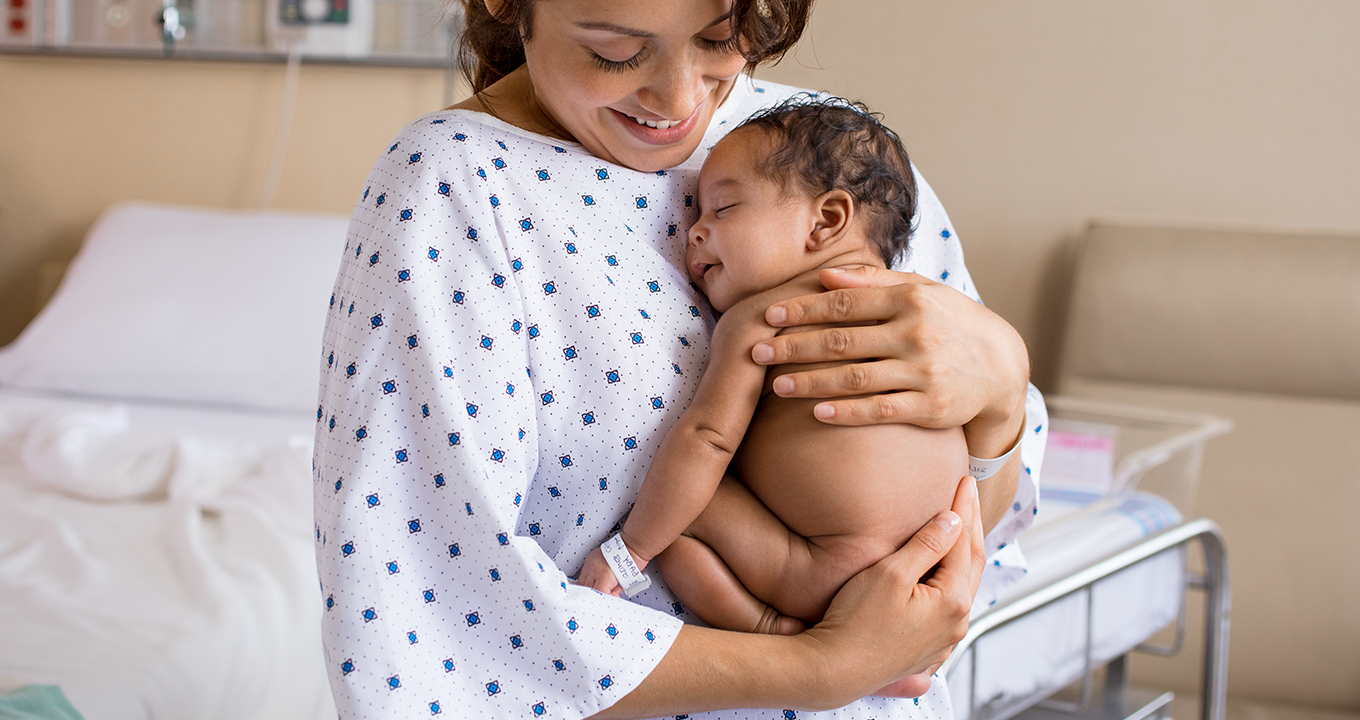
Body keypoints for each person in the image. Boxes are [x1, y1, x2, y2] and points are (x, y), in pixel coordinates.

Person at [312, 0, 1047, 718]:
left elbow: (974, 541)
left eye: (720, 39)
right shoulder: (457, 185)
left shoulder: (832, 154)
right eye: (615, 50)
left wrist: (1002, 399)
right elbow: (428, 611)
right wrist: (813, 668)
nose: (677, 98)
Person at [576, 98, 974, 645]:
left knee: (676, 508)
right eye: (695, 214)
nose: (694, 231)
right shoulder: (927, 311)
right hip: (929, 566)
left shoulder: (762, 318)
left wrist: (630, 552)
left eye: (724, 209)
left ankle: (768, 628)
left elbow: (708, 439)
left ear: (826, 221)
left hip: (818, 573)